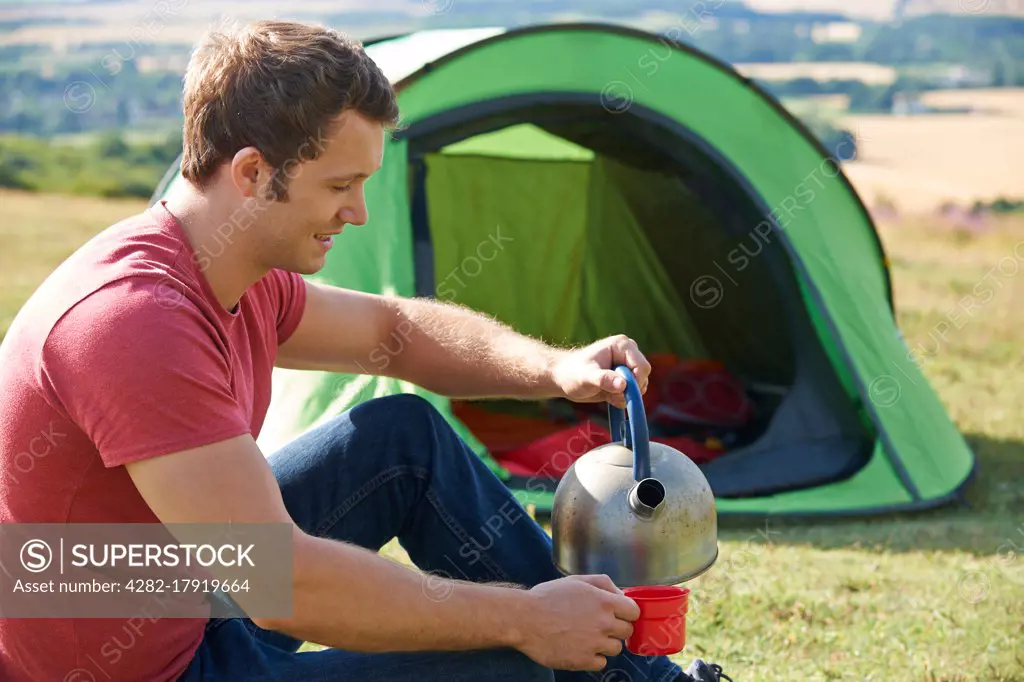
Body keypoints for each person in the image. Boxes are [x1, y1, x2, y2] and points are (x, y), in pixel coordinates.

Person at [0, 19, 731, 682]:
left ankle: (629, 679)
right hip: (140, 666)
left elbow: (392, 333)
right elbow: (278, 582)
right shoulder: (134, 321)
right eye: (341, 185)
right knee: (513, 667)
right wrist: (527, 619)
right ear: (252, 174)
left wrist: (555, 368)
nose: (357, 212)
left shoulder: (226, 269)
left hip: (171, 590)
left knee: (403, 439)